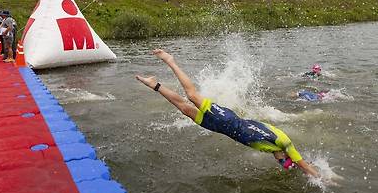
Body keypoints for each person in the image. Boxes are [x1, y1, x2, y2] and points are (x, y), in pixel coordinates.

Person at [136, 49, 319, 177]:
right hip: (227, 120)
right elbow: (305, 166)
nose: (279, 162)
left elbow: (296, 165)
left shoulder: (270, 149)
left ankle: (155, 84)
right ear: (286, 156)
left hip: (220, 128)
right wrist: (322, 179)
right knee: (192, 95)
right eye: (282, 162)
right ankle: (170, 60)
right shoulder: (285, 144)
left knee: (184, 109)